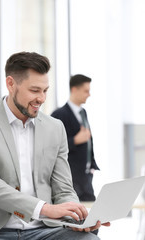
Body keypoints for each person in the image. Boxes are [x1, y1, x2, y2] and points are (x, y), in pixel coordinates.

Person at [0, 52, 109, 240]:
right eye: (35, 90)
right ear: (11, 84)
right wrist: (45, 209)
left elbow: (63, 188)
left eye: (45, 91)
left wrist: (75, 216)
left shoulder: (55, 128)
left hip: (46, 230)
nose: (42, 98)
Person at [51, 74, 99, 202]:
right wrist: (75, 140)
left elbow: (88, 142)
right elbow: (52, 146)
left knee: (90, 213)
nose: (89, 94)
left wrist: (92, 166)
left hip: (86, 176)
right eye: (86, 91)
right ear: (74, 90)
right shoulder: (59, 115)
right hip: (70, 177)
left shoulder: (83, 113)